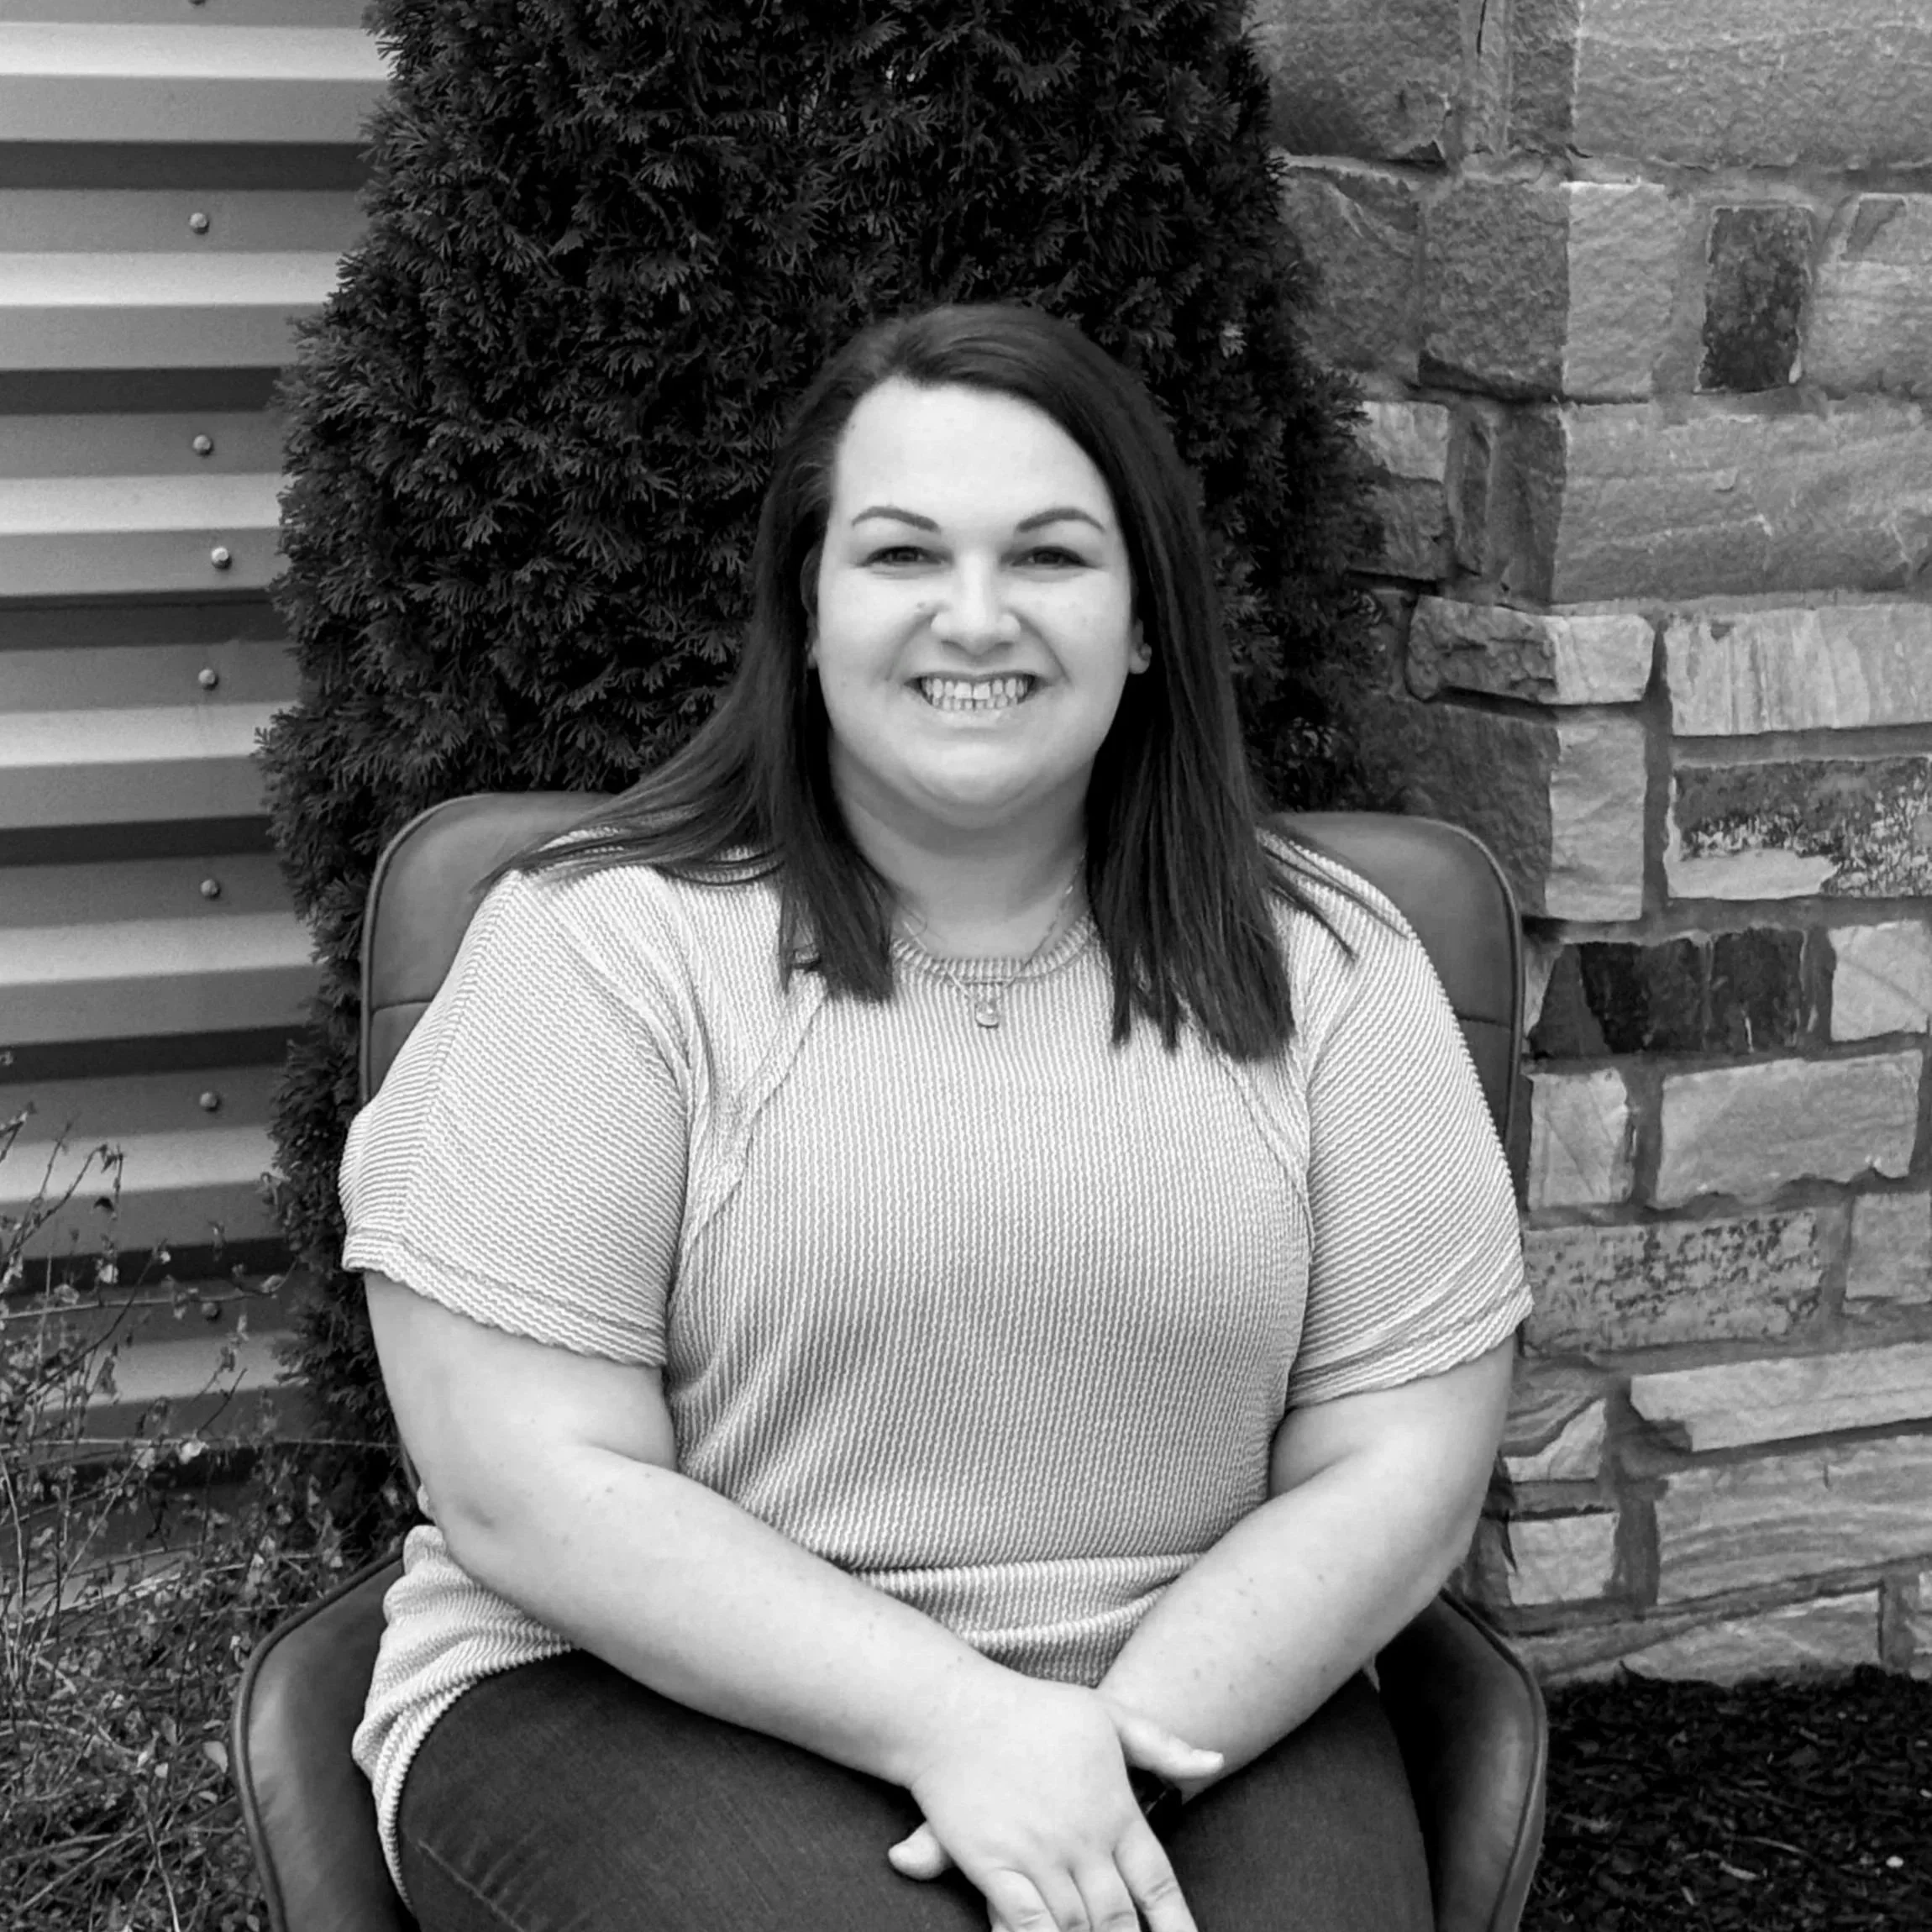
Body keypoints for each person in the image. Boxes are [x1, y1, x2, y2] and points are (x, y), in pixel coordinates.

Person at [339, 302, 1530, 1932]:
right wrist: (956, 1720)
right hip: (626, 1683)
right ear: (808, 609)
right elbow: (527, 1481)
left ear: (1143, 621)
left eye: (1049, 556)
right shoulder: (602, 947)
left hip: (1198, 1692)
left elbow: (1399, 1466)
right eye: (903, 555)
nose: (976, 617)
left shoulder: (1330, 968)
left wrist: (1090, 1760)